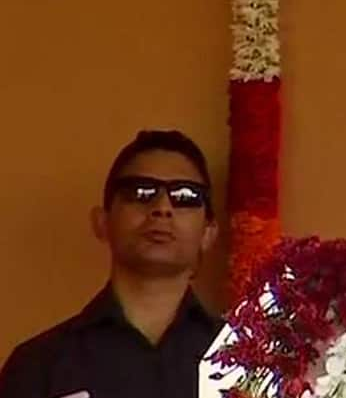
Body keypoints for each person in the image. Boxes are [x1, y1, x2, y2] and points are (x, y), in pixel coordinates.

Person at [0, 130, 221, 398]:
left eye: (185, 196)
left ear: (208, 233)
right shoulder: (38, 366)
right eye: (141, 192)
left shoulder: (248, 363)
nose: (163, 207)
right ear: (102, 222)